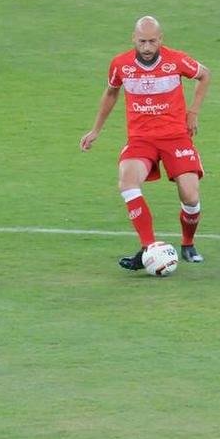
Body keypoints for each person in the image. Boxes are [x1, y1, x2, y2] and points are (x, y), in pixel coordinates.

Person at [80, 16, 211, 269]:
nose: (148, 47)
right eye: (142, 41)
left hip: (175, 137)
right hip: (141, 139)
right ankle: (148, 247)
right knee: (127, 181)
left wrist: (193, 112)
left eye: (152, 41)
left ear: (161, 39)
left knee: (191, 196)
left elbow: (205, 75)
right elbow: (111, 93)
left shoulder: (176, 60)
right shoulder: (121, 65)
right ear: (133, 39)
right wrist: (96, 130)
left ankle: (188, 242)